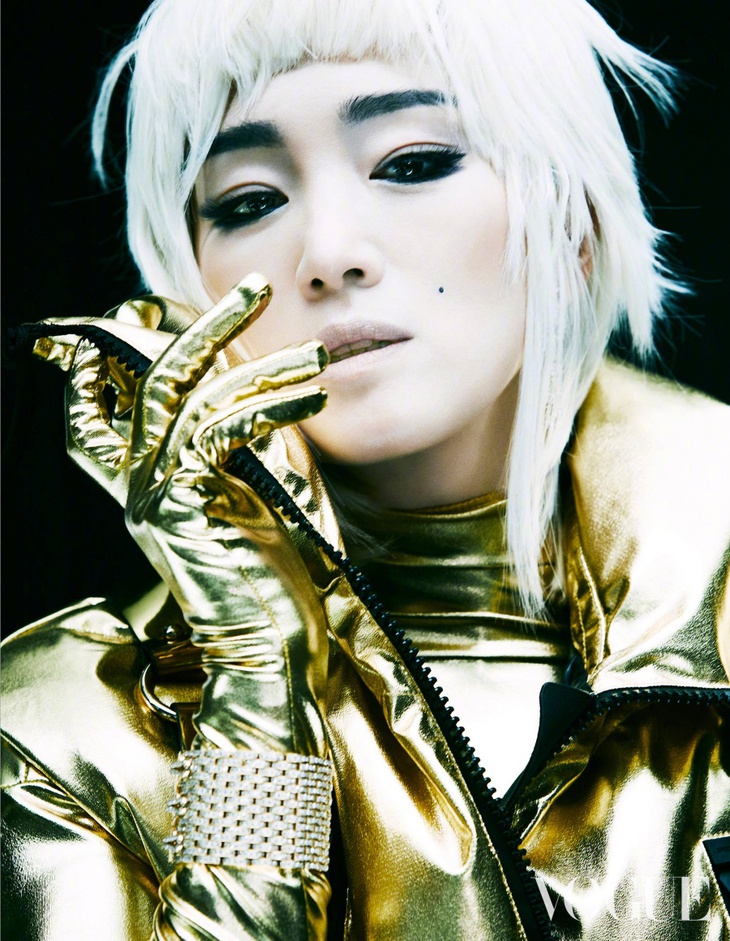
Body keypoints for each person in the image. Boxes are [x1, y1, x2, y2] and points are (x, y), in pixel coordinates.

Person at [2, 0, 728, 938]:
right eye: (249, 202)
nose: (330, 253)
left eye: (412, 163)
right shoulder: (58, 732)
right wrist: (256, 686)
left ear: (572, 219)